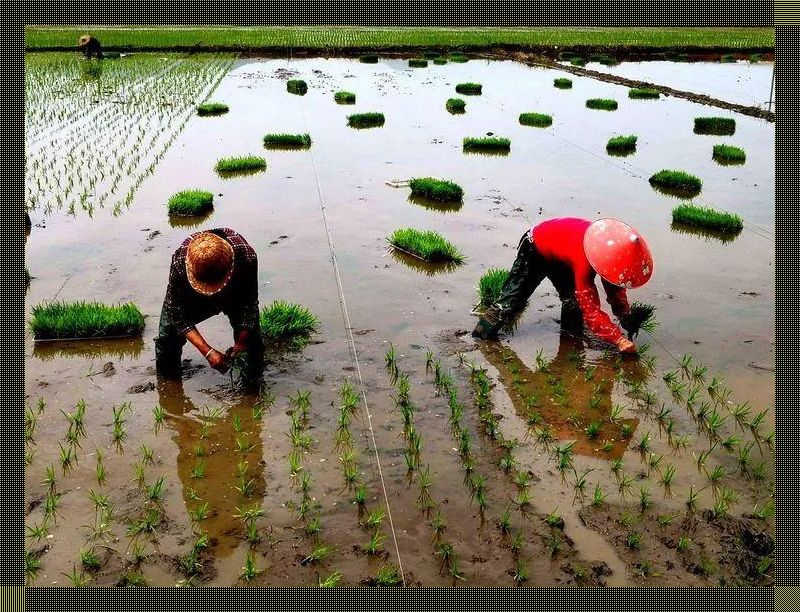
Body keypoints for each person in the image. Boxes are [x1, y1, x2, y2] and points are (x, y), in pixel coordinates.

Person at [473, 217, 653, 354]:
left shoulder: (609, 253)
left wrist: (625, 316)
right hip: (535, 246)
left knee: (572, 301)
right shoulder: (584, 261)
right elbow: (591, 312)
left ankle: (571, 340)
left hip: (562, 253)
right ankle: (479, 338)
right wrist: (619, 340)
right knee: (512, 301)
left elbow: (614, 289)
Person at [155, 228, 264, 379]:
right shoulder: (180, 261)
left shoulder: (246, 256)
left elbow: (249, 303)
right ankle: (169, 387)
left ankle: (251, 385)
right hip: (192, 297)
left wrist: (241, 342)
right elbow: (178, 316)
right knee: (167, 338)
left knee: (251, 343)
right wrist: (207, 351)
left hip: (235, 292)